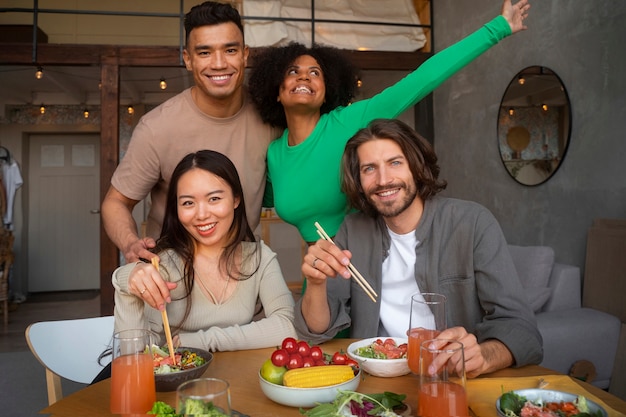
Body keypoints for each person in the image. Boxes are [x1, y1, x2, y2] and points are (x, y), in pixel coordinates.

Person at [248, 0, 531, 244]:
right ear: (275, 89)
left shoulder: (349, 121)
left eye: (315, 73)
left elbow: (422, 79)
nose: (304, 77)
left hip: (371, 261)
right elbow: (247, 199)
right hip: (320, 273)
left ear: (327, 92)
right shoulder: (274, 155)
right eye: (293, 71)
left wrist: (498, 28)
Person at [295, 119, 542, 378]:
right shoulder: (352, 230)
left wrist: (484, 356)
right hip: (378, 381)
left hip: (453, 381)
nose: (384, 180)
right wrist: (315, 282)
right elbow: (315, 329)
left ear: (416, 165)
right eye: (369, 168)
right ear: (358, 180)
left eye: (395, 162)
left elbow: (523, 331)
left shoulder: (472, 223)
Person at [102, 1, 281, 263]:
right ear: (188, 59)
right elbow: (115, 203)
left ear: (245, 54)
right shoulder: (157, 128)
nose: (219, 64)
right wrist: (130, 244)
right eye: (205, 52)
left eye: (230, 50)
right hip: (173, 281)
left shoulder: (271, 118)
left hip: (242, 274)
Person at [113, 150, 297, 351]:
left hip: (235, 378)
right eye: (188, 203)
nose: (201, 215)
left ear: (236, 200)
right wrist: (124, 279)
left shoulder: (259, 258)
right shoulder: (161, 265)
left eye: (214, 199)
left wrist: (204, 341)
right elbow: (136, 354)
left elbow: (287, 326)